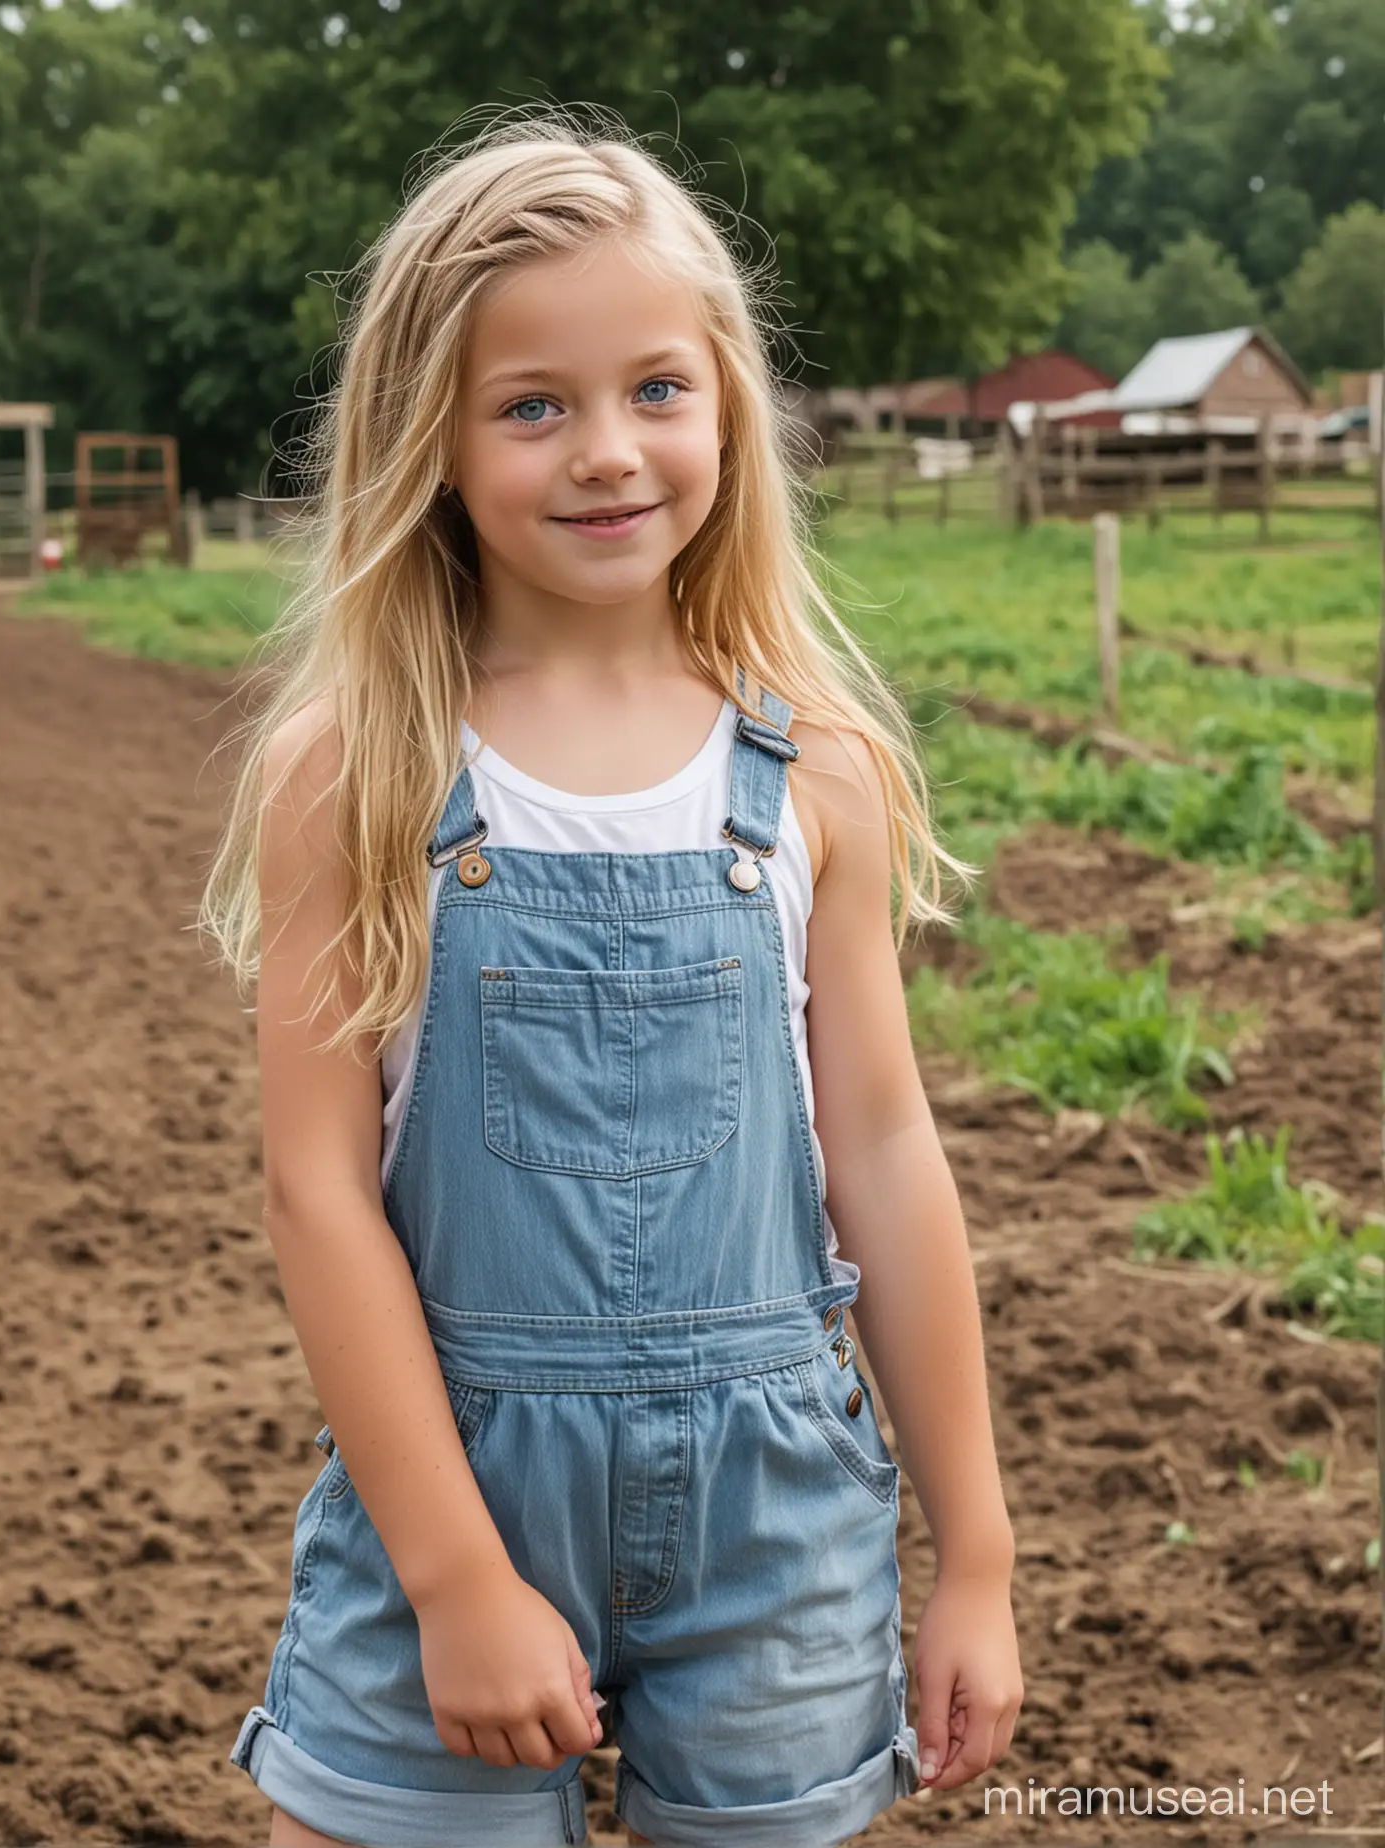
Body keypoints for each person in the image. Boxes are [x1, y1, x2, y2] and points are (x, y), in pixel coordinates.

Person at [199, 102, 1022, 1848]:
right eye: (532, 406)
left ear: (729, 402)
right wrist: (452, 1578)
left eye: (657, 388)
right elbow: (319, 1192)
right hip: (454, 1499)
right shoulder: (356, 775)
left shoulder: (820, 778)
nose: (606, 452)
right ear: (430, 439)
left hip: (777, 1524)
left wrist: (978, 1556)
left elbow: (884, 1158)